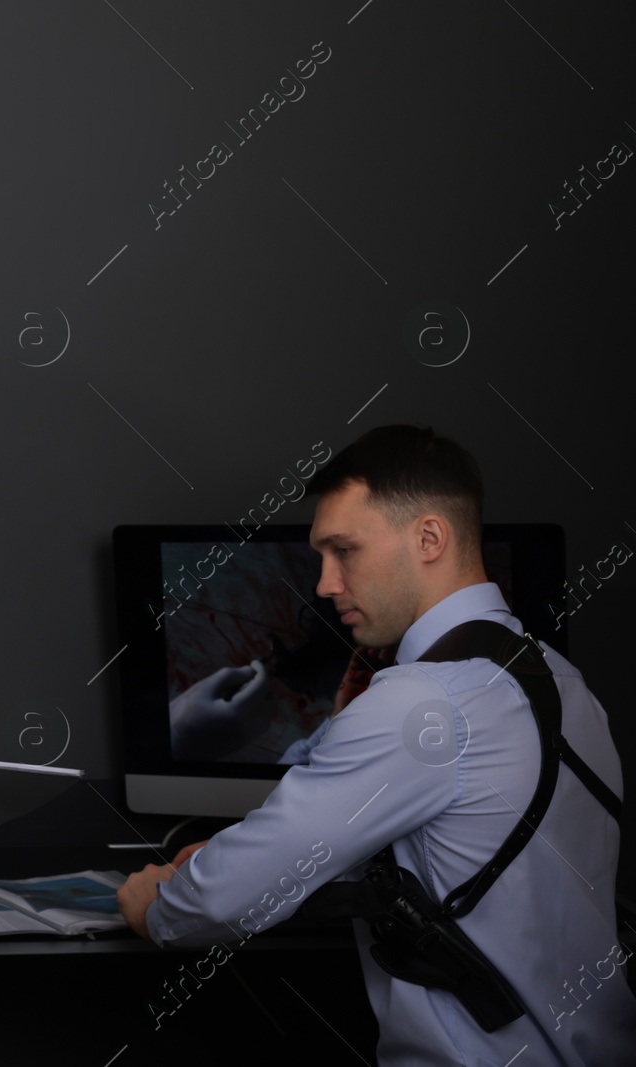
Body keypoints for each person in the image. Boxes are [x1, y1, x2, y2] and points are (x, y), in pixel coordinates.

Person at [117, 425, 635, 1063]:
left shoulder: (416, 705)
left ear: (428, 539)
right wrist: (342, 727)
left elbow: (225, 900)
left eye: (344, 551)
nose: (325, 584)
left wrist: (157, 909)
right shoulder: (562, 679)